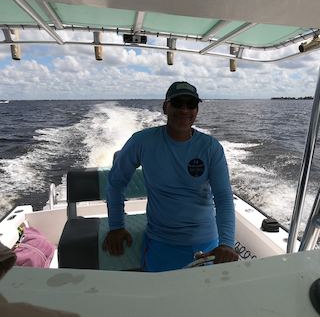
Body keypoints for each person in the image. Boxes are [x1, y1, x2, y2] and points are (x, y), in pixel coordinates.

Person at [102, 81, 238, 272]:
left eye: (191, 104)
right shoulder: (142, 142)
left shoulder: (211, 148)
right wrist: (116, 226)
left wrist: (226, 244)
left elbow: (223, 197)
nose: (184, 110)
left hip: (208, 242)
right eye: (177, 103)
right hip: (162, 243)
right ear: (165, 107)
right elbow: (115, 183)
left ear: (197, 110)